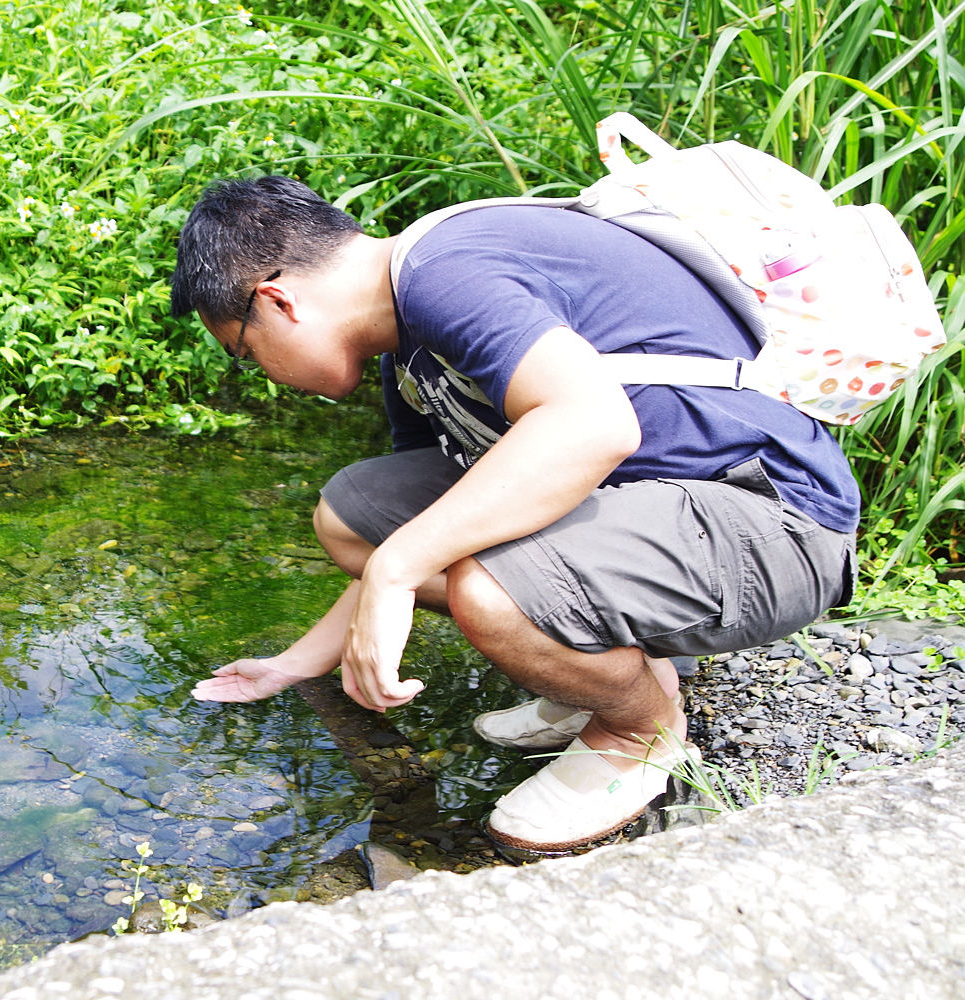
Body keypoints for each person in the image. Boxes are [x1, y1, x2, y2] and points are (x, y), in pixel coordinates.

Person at [168, 175, 859, 852]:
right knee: (352, 516)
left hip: (775, 522)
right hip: (658, 514)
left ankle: (638, 730)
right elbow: (433, 520)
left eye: (245, 352)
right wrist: (293, 664)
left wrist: (397, 570)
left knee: (485, 590)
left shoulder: (447, 272)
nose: (260, 372)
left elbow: (594, 425)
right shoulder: (407, 341)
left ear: (278, 301)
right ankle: (614, 667)